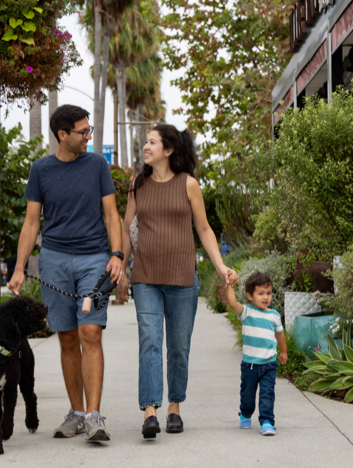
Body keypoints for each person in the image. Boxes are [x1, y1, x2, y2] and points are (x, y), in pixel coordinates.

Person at [9, 104, 123, 443]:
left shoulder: (97, 165)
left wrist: (116, 256)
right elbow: (31, 223)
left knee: (91, 333)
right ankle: (76, 413)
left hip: (93, 259)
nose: (89, 137)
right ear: (63, 134)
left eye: (89, 130)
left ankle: (94, 416)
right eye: (83, 132)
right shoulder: (40, 170)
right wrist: (18, 268)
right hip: (54, 260)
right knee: (68, 337)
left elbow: (112, 214)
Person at [117, 124, 239, 439]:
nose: (146, 147)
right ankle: (150, 411)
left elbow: (205, 229)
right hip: (145, 278)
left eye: (152, 142)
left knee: (179, 347)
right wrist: (119, 265)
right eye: (146, 142)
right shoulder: (137, 185)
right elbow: (128, 226)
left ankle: (174, 406)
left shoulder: (188, 185)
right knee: (150, 341)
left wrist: (221, 265)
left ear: (168, 150)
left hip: (183, 279)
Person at [226, 272, 288, 436]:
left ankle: (267, 421)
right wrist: (229, 287)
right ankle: (245, 414)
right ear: (250, 296)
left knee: (267, 394)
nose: (265, 297)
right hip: (250, 365)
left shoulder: (274, 315)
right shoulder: (246, 312)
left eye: (268, 293)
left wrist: (284, 351)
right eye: (260, 293)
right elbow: (232, 303)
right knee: (247, 394)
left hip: (269, 364)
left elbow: (280, 334)